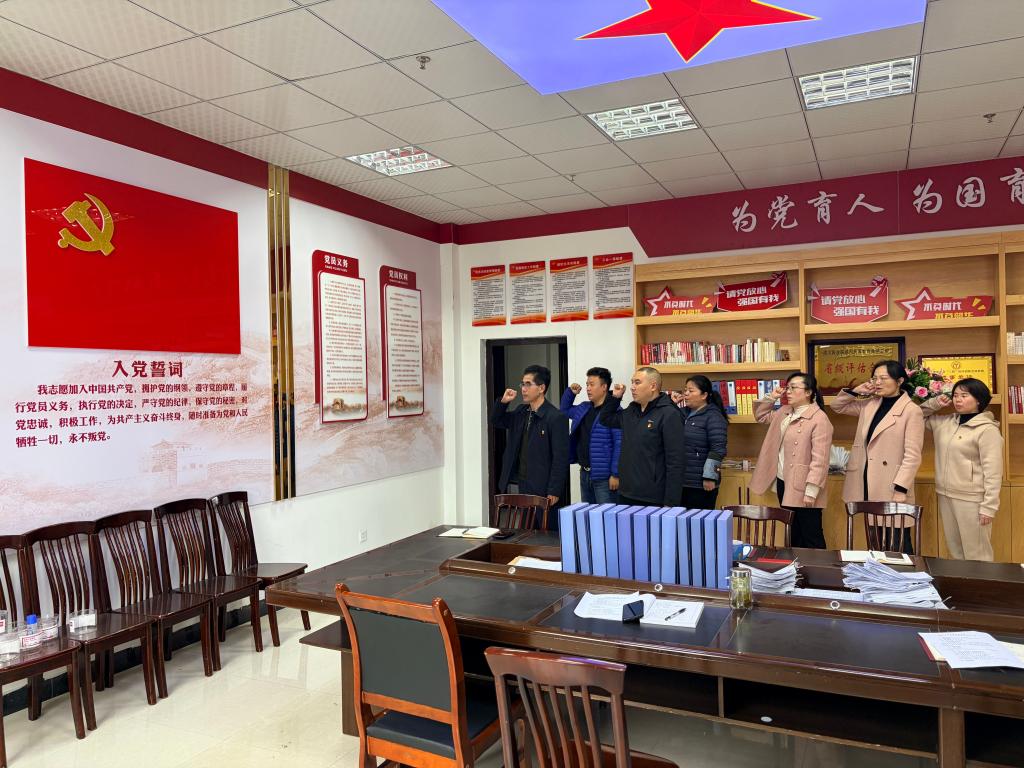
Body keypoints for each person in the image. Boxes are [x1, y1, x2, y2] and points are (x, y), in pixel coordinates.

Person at [831, 360, 924, 553]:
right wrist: (856, 391)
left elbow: (912, 455)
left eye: (884, 378)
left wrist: (901, 488)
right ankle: (878, 572)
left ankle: (904, 574)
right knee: (875, 540)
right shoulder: (869, 404)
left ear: (899, 381)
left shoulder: (911, 410)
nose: (878, 382)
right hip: (867, 482)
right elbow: (837, 406)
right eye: (875, 378)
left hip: (892, 484)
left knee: (897, 542)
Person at [921, 378, 1003, 561]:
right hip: (945, 495)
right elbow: (916, 416)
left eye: (964, 395)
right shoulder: (945, 422)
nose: (958, 399)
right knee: (956, 552)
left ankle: (982, 581)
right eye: (956, 395)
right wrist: (935, 403)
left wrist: (989, 507)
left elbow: (993, 472)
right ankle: (960, 582)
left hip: (972, 500)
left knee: (977, 554)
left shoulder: (987, 430)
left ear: (978, 400)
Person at [749, 372, 834, 548]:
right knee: (793, 531)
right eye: (787, 387)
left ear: (808, 392)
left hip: (805, 484)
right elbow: (761, 416)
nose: (788, 391)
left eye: (794, 388)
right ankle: (796, 564)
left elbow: (821, 459)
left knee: (810, 533)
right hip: (784, 480)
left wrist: (812, 490)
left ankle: (817, 565)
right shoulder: (784, 411)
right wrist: (771, 397)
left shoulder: (819, 418)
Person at [599, 367, 685, 507]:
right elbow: (605, 419)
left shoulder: (669, 414)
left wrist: (671, 502)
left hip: (653, 497)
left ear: (653, 386)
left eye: (637, 382)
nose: (632, 387)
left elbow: (675, 462)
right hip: (626, 492)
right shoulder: (631, 411)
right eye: (632, 382)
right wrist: (615, 398)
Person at [490, 365, 569, 511]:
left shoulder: (556, 417)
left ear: (541, 388)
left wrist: (554, 489)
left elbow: (561, 458)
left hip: (543, 485)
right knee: (526, 523)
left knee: (544, 524)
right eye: (522, 384)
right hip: (522, 482)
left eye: (528, 384)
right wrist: (503, 402)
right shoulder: (521, 412)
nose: (523, 389)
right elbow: (496, 421)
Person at [560, 367, 621, 504]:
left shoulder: (614, 410)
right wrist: (570, 393)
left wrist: (615, 474)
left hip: (605, 478)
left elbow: (619, 444)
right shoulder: (584, 408)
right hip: (584, 473)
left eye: (592, 384)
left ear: (604, 387)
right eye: (587, 384)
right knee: (587, 514)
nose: (588, 388)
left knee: (605, 515)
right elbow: (564, 411)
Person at [670, 375, 728, 509]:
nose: (686, 394)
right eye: (685, 390)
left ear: (704, 395)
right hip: (680, 481)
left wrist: (710, 477)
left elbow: (718, 449)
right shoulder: (681, 413)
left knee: (699, 520)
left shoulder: (714, 416)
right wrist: (672, 405)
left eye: (691, 391)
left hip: (700, 484)